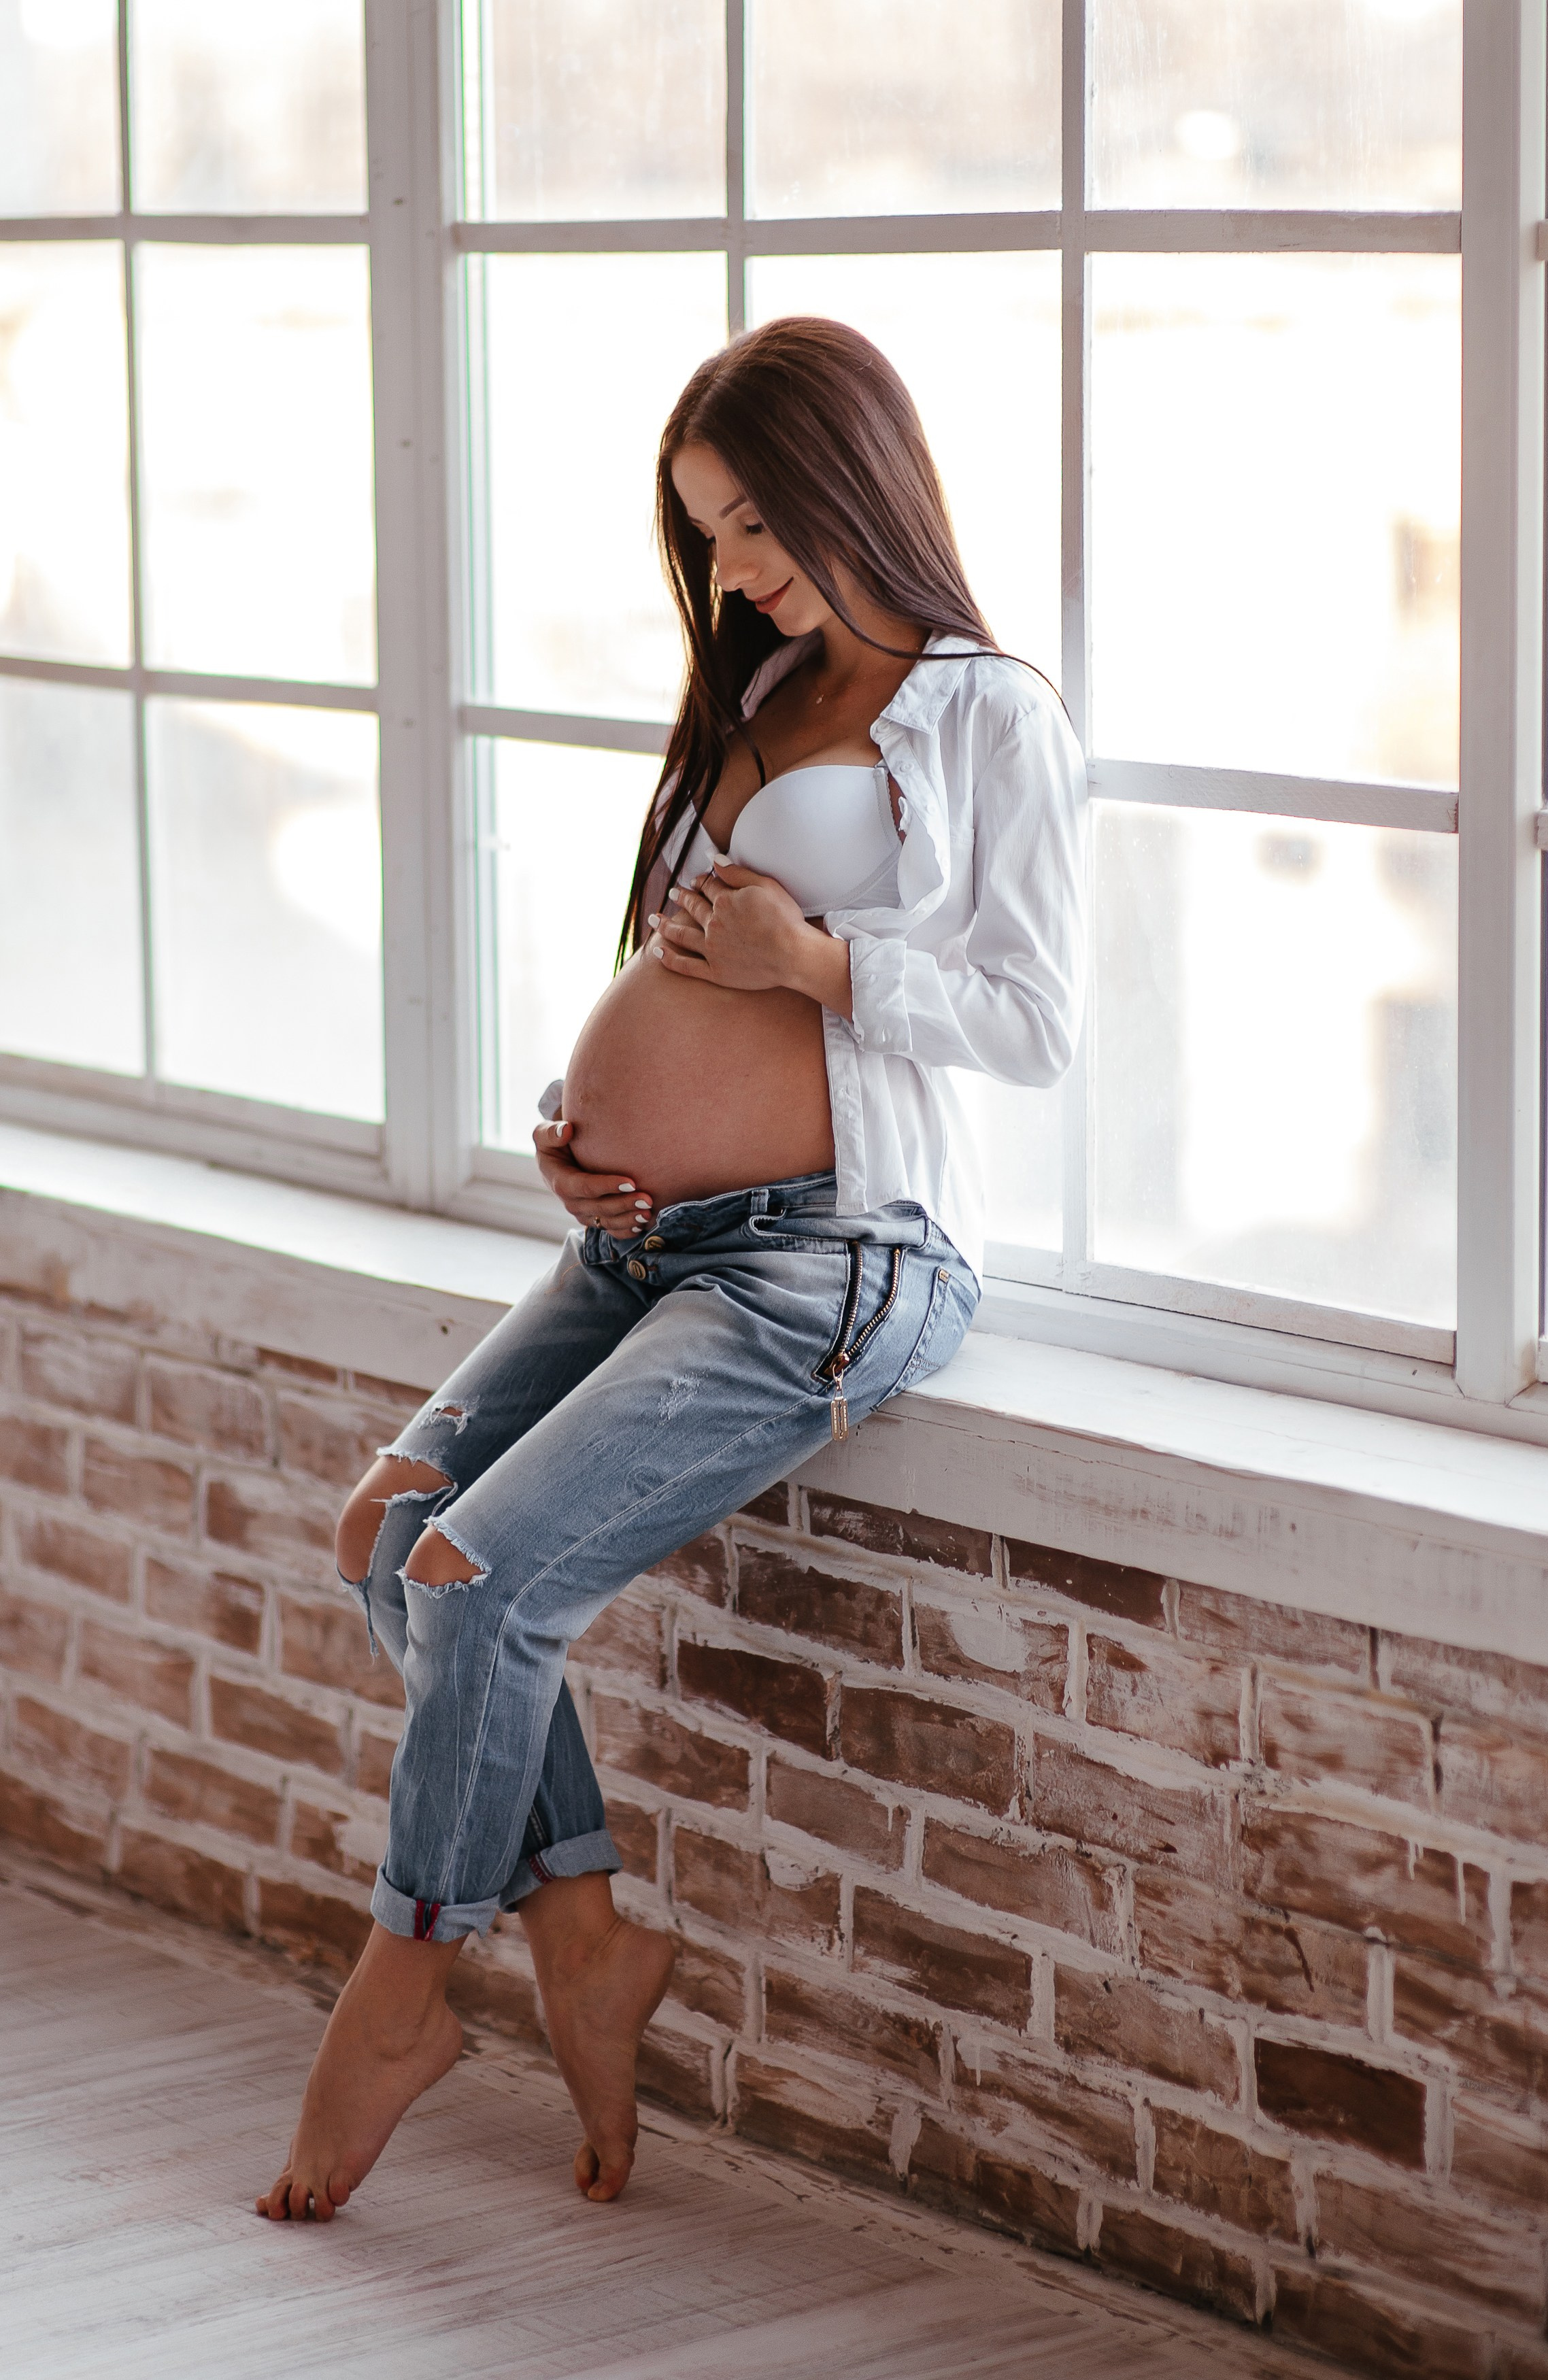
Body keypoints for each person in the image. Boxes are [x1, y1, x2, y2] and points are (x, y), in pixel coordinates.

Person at [257, 316, 1087, 2224]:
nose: (730, 571)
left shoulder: (987, 717)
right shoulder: (766, 681)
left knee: (472, 1577)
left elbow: (1039, 1023)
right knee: (391, 1529)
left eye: (750, 523)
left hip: (843, 1254)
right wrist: (587, 1118)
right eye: (706, 536)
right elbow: (680, 965)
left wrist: (823, 971)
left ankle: (406, 1980)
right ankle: (587, 1928)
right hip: (653, 1239)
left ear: (848, 474)